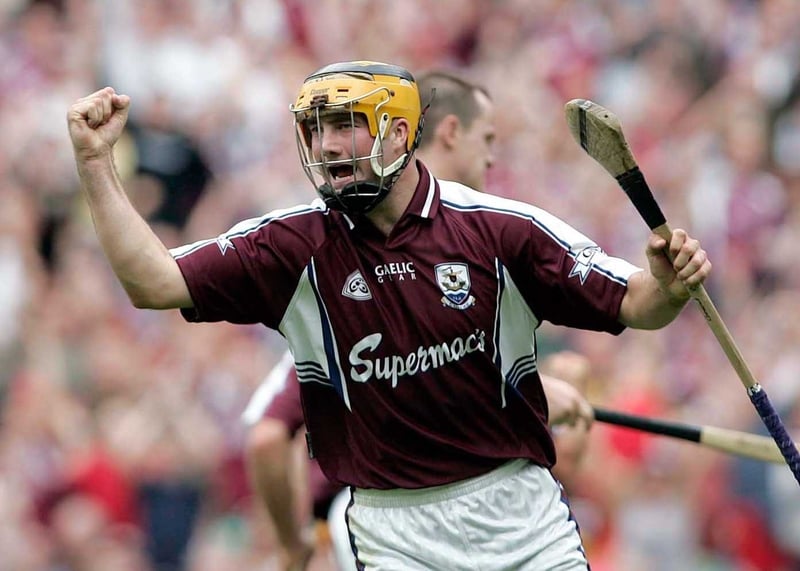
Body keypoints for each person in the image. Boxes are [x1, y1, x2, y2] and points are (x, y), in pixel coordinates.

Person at [68, 61, 711, 570]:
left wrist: (669, 283)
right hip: (391, 532)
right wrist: (96, 164)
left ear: (400, 134)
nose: (326, 145)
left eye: (344, 125)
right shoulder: (290, 246)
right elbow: (153, 282)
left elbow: (638, 303)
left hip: (521, 514)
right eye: (315, 130)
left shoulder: (499, 228)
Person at [240, 70, 594, 571]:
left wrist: (532, 391)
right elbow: (267, 435)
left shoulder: (488, 239)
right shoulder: (346, 262)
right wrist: (292, 547)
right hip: (380, 525)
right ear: (449, 132)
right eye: (487, 138)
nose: (492, 158)